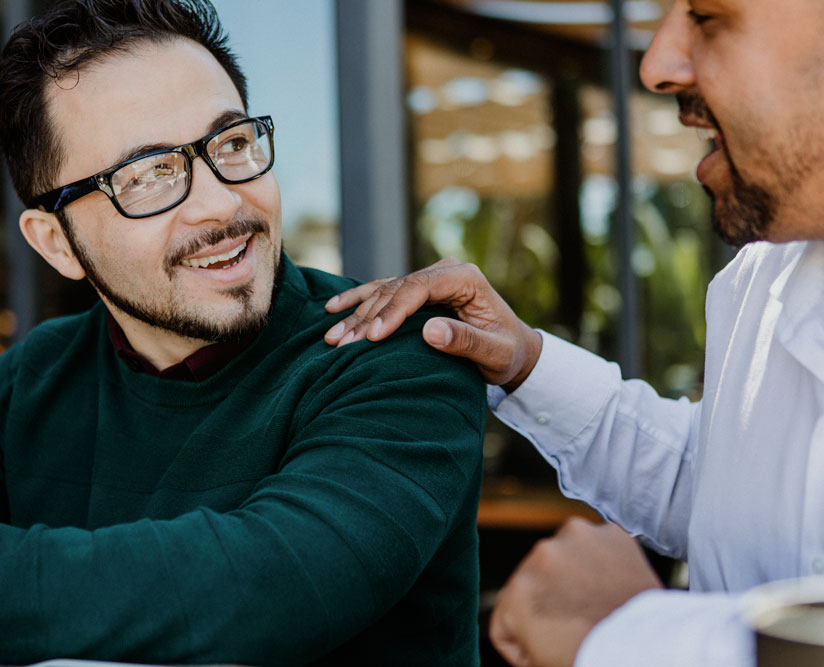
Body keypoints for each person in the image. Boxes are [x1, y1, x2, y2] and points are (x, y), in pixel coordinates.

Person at [0, 1, 488, 664]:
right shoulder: (32, 382)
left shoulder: (400, 354)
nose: (221, 203)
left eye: (232, 144)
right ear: (57, 242)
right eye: (148, 175)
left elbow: (260, 590)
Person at [323, 0, 824, 665]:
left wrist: (624, 633)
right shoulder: (763, 276)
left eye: (706, 16)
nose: (656, 65)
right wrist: (526, 361)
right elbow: (725, 484)